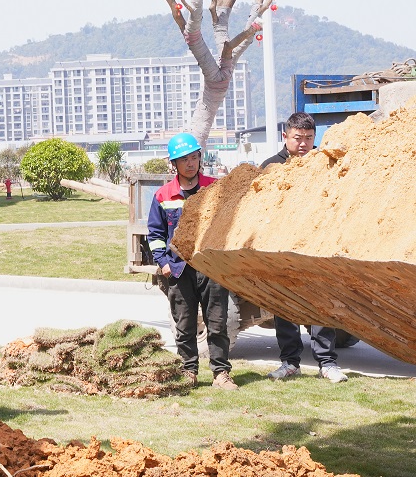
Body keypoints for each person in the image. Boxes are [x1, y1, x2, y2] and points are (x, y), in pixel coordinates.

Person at [260, 112, 348, 383]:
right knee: (284, 308)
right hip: (281, 251)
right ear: (285, 136)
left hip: (317, 250)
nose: (303, 144)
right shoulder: (271, 167)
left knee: (321, 307)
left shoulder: (326, 164)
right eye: (298, 137)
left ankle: (327, 363)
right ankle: (289, 363)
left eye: (309, 138)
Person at [147, 132, 238, 390]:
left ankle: (221, 373)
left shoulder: (215, 188)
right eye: (184, 159)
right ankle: (189, 371)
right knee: (185, 323)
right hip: (178, 269)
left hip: (211, 267)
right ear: (174, 164)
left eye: (194, 158)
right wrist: (163, 262)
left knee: (217, 322)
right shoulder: (164, 195)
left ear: (200, 158)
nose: (190, 163)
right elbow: (155, 234)